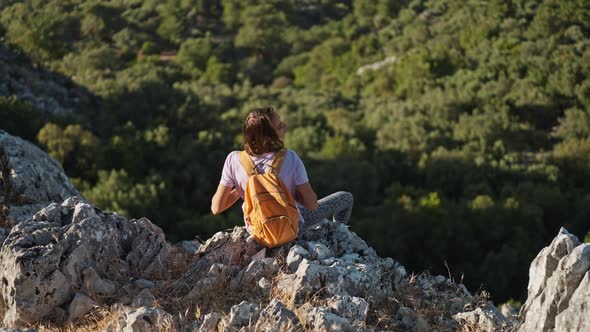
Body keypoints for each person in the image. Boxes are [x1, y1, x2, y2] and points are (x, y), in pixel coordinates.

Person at [210, 106, 353, 234]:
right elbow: (312, 205)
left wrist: (244, 188)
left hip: (256, 230)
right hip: (290, 228)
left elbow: (216, 208)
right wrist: (288, 192)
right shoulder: (290, 157)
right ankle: (337, 236)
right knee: (345, 197)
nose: (285, 125)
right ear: (268, 138)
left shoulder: (233, 160)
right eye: (279, 126)